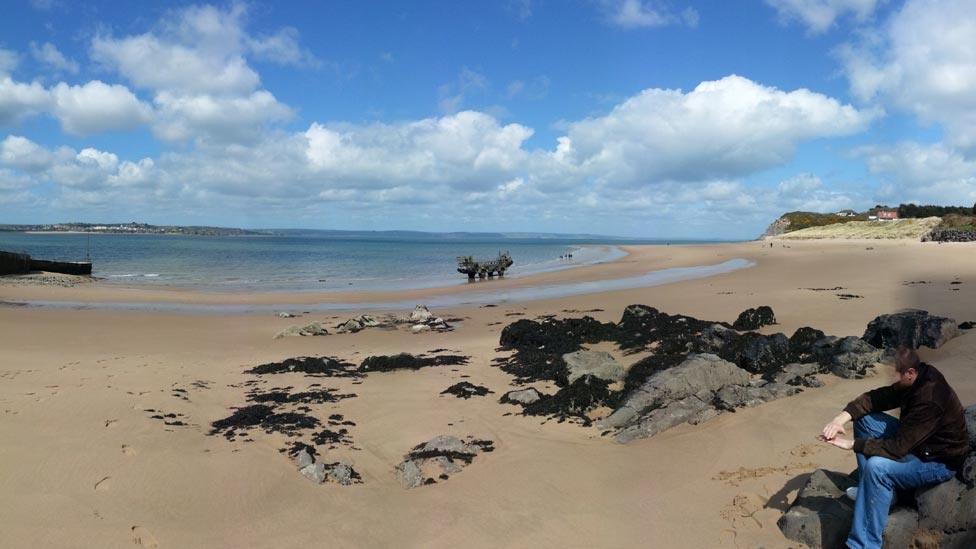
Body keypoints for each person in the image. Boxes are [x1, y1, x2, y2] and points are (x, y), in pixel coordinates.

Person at [819, 347, 969, 549]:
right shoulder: (920, 375)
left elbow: (897, 448)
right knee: (863, 420)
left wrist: (851, 445)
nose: (892, 378)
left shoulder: (929, 399)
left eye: (895, 374)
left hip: (936, 461)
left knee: (876, 467)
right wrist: (840, 420)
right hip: (917, 440)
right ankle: (876, 493)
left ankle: (863, 545)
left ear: (909, 373)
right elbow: (877, 398)